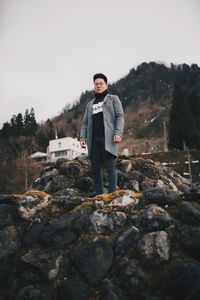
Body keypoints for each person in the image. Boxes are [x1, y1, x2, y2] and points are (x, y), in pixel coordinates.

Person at [80, 73, 124, 196]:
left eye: (101, 84)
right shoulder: (90, 104)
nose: (98, 86)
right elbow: (85, 122)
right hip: (93, 140)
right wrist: (83, 137)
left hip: (108, 138)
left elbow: (120, 116)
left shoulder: (113, 99)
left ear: (106, 85)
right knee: (95, 169)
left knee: (110, 166)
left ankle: (112, 196)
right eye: (96, 84)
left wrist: (118, 133)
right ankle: (100, 196)